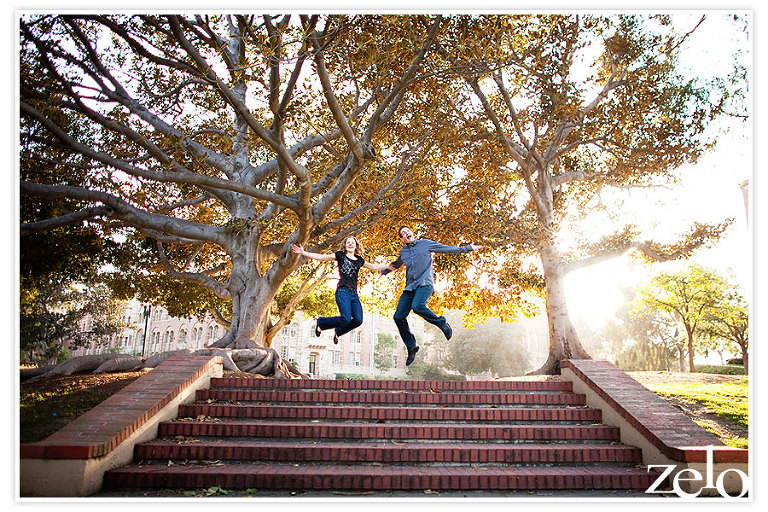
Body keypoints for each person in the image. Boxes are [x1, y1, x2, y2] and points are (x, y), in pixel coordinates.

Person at [380, 226, 480, 366]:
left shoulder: (425, 244)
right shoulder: (404, 252)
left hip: (425, 284)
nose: (406, 233)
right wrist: (384, 271)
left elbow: (446, 248)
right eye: (403, 234)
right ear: (402, 239)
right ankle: (412, 346)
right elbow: (396, 264)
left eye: (407, 231)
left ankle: (442, 323)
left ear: (412, 233)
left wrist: (467, 248)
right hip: (410, 287)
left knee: (417, 306)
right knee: (398, 316)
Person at [292, 237, 389, 344]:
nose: (350, 244)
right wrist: (303, 252)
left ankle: (338, 332)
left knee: (358, 320)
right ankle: (321, 322)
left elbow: (373, 266)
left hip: (354, 294)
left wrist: (388, 265)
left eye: (353, 243)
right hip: (343, 291)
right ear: (345, 245)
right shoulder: (340, 255)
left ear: (356, 245)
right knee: (346, 319)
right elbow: (322, 257)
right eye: (348, 243)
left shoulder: (359, 260)